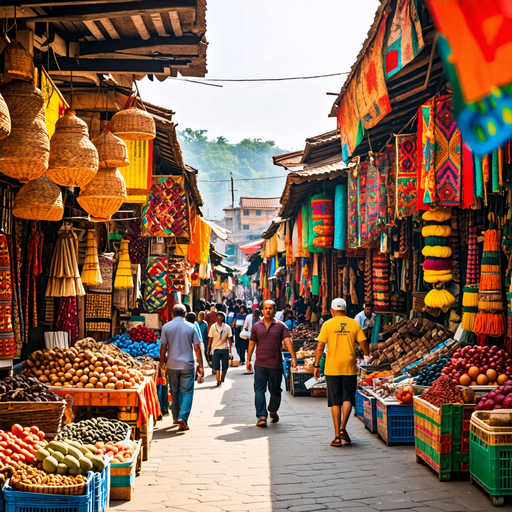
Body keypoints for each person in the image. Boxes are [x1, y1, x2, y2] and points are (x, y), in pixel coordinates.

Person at [313, 298, 370, 447]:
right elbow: (363, 342)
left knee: (335, 401)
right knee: (347, 399)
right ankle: (344, 427)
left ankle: (337, 436)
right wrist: (367, 354)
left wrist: (316, 365)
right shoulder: (354, 323)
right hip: (349, 366)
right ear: (345, 310)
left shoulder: (327, 324)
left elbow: (319, 347)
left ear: (332, 311)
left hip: (332, 367)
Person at [247, 300, 297, 427]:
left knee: (275, 390)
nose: (268, 310)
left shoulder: (281, 326)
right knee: (259, 390)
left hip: (275, 364)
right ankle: (261, 416)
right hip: (260, 364)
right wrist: (248, 360)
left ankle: (273, 411)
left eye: (270, 308)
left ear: (275, 310)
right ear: (262, 310)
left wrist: (294, 357)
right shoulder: (256, 326)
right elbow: (251, 343)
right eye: (266, 308)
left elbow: (288, 341)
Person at [160, 304, 203, 431]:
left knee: (174, 391)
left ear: (172, 314)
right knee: (187, 392)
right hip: (187, 365)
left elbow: (163, 348)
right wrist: (200, 365)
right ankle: (183, 418)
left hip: (172, 364)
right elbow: (196, 347)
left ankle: (175, 417)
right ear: (185, 314)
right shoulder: (191, 327)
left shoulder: (166, 327)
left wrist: (162, 364)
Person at [208, 312, 233, 386]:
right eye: (218, 316)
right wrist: (208, 349)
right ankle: (218, 380)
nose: (219, 317)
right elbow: (210, 339)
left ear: (223, 318)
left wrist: (230, 352)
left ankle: (222, 378)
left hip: (225, 348)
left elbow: (230, 340)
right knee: (216, 366)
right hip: (215, 349)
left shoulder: (227, 327)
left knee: (225, 366)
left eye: (220, 316)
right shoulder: (213, 327)